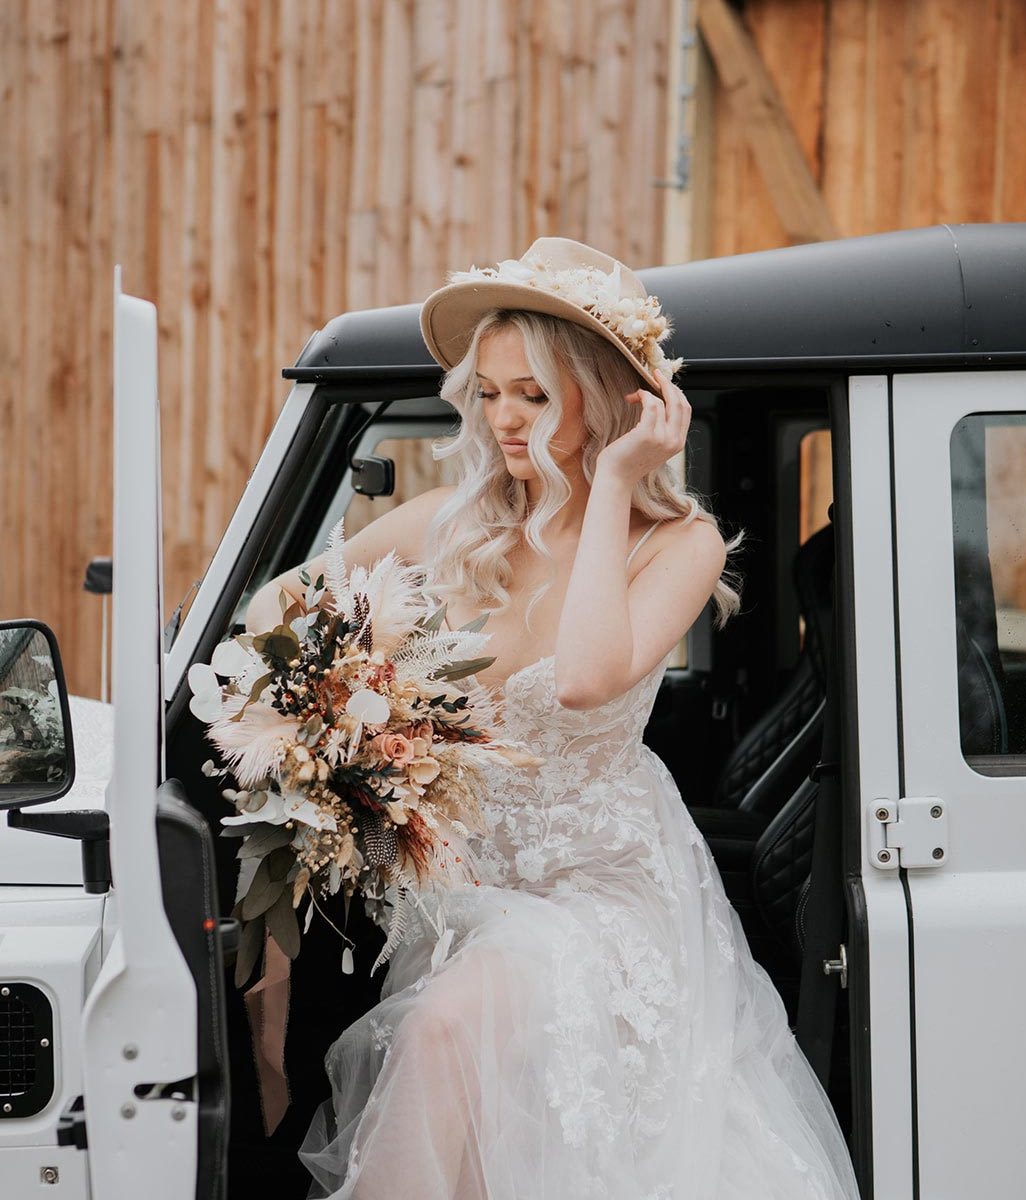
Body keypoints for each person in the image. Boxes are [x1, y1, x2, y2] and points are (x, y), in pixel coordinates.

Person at [246, 238, 862, 1199]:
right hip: (462, 895)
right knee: (479, 1115)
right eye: (487, 393)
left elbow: (583, 682)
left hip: (601, 899)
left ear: (605, 398)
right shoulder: (448, 523)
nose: (502, 420)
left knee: (442, 1034)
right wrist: (362, 708)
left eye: (531, 394)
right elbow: (273, 609)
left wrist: (614, 483)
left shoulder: (676, 542)